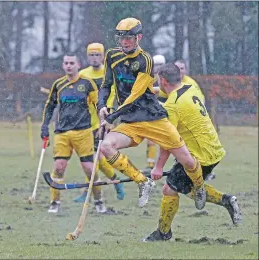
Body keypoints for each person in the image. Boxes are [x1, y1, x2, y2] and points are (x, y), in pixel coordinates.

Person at [98, 17, 206, 209]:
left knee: (188, 161)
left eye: (129, 38)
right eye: (121, 38)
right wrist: (102, 107)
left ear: (139, 37)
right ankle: (142, 181)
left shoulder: (145, 60)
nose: (124, 42)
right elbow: (106, 85)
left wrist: (112, 118)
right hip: (130, 121)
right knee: (106, 147)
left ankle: (199, 186)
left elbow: (134, 96)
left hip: (152, 117)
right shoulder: (111, 55)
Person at [142, 63, 241, 242]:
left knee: (169, 189)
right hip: (213, 149)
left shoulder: (172, 105)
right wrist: (149, 90)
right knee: (184, 187)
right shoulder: (190, 87)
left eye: (159, 81)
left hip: (198, 156)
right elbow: (165, 93)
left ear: (163, 80)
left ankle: (163, 233)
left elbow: (168, 141)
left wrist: (158, 167)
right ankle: (226, 200)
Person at [41, 52, 107, 214]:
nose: (69, 66)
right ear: (63, 66)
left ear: (78, 65)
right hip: (62, 133)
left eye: (72, 63)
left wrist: (103, 123)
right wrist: (44, 126)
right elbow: (50, 106)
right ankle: (54, 202)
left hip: (83, 132)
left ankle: (98, 200)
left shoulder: (87, 83)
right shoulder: (58, 84)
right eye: (66, 63)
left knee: (89, 169)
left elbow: (99, 104)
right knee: (59, 167)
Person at [73, 42, 125, 203]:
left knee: (93, 156)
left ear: (103, 56)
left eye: (97, 55)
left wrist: (108, 114)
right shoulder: (82, 74)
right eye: (91, 55)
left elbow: (113, 93)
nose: (94, 58)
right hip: (84, 121)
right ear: (87, 56)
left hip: (103, 120)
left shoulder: (109, 72)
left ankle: (90, 189)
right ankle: (114, 181)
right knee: (91, 157)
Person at [144, 54, 166, 172]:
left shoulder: (167, 78)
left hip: (165, 113)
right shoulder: (149, 78)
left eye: (160, 64)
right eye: (156, 64)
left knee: (167, 142)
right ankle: (150, 164)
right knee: (150, 140)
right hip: (151, 113)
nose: (158, 67)